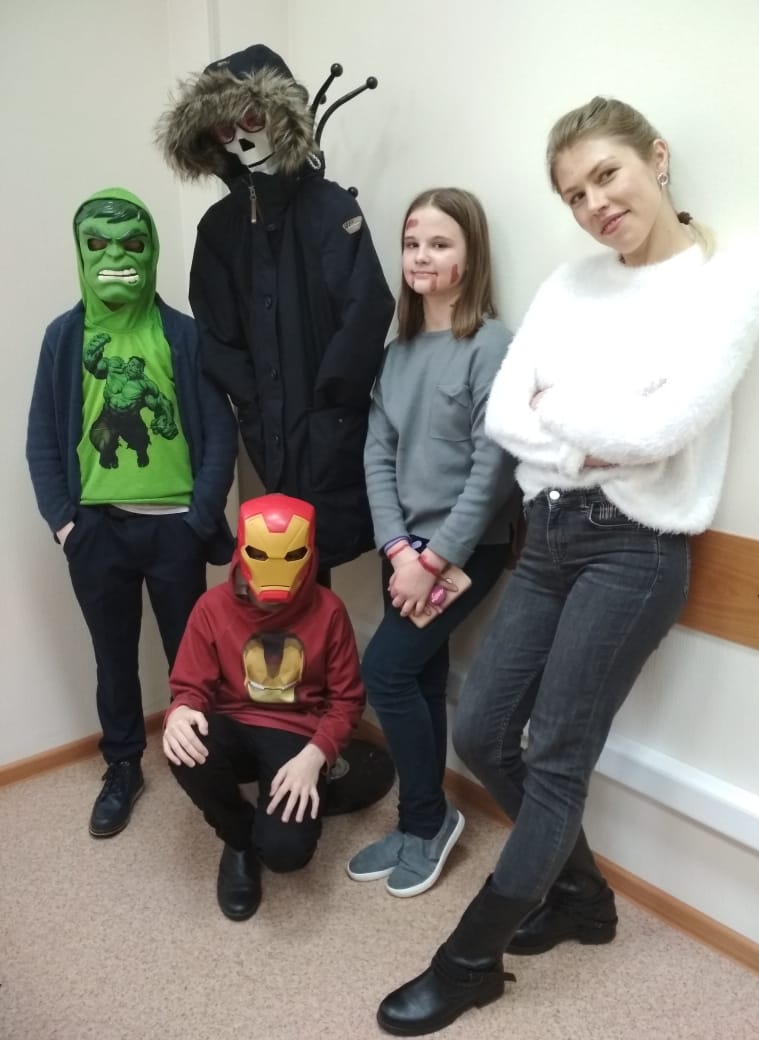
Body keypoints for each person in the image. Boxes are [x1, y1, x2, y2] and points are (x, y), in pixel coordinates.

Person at [376, 97, 759, 1035]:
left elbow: (660, 431)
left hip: (635, 552)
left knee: (553, 753)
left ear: (655, 158)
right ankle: (584, 899)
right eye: (574, 194)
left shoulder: (725, 288)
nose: (594, 204)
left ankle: (470, 961)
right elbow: (509, 417)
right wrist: (588, 426)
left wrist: (567, 412)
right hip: (547, 537)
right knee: (484, 732)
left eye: (606, 175)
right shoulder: (570, 283)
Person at [26, 188, 237, 839]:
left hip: (176, 530)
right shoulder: (65, 339)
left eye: (131, 242)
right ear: (81, 250)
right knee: (112, 658)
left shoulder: (183, 335)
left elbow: (219, 431)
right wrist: (66, 524)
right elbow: (42, 439)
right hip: (97, 533)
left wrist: (199, 517)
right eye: (99, 242)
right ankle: (123, 765)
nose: (115, 255)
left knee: (193, 659)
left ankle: (207, 764)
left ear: (150, 250)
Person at [155, 43, 395, 577]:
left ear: (281, 118)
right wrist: (253, 398)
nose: (241, 139)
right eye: (224, 129)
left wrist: (331, 398)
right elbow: (216, 330)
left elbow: (366, 307)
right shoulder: (220, 229)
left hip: (332, 419)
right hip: (267, 426)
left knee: (330, 537)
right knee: (283, 552)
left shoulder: (331, 208)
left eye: (252, 119)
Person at [345, 188, 518, 899]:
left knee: (384, 673)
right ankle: (421, 818)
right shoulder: (397, 354)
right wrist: (396, 550)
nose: (421, 256)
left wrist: (434, 559)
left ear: (470, 257)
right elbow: (377, 456)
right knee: (416, 677)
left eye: (440, 244)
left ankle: (428, 819)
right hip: (405, 549)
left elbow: (493, 471)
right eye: (413, 243)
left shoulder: (492, 346)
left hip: (464, 550)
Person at [162, 493, 365, 921]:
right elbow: (190, 685)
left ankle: (314, 788)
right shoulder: (212, 607)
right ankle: (236, 837)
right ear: (241, 549)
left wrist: (317, 755)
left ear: (309, 553)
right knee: (183, 744)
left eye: (291, 556)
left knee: (285, 854)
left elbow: (347, 700)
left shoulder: (329, 611)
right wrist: (180, 710)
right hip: (231, 721)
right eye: (260, 554)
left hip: (296, 733)